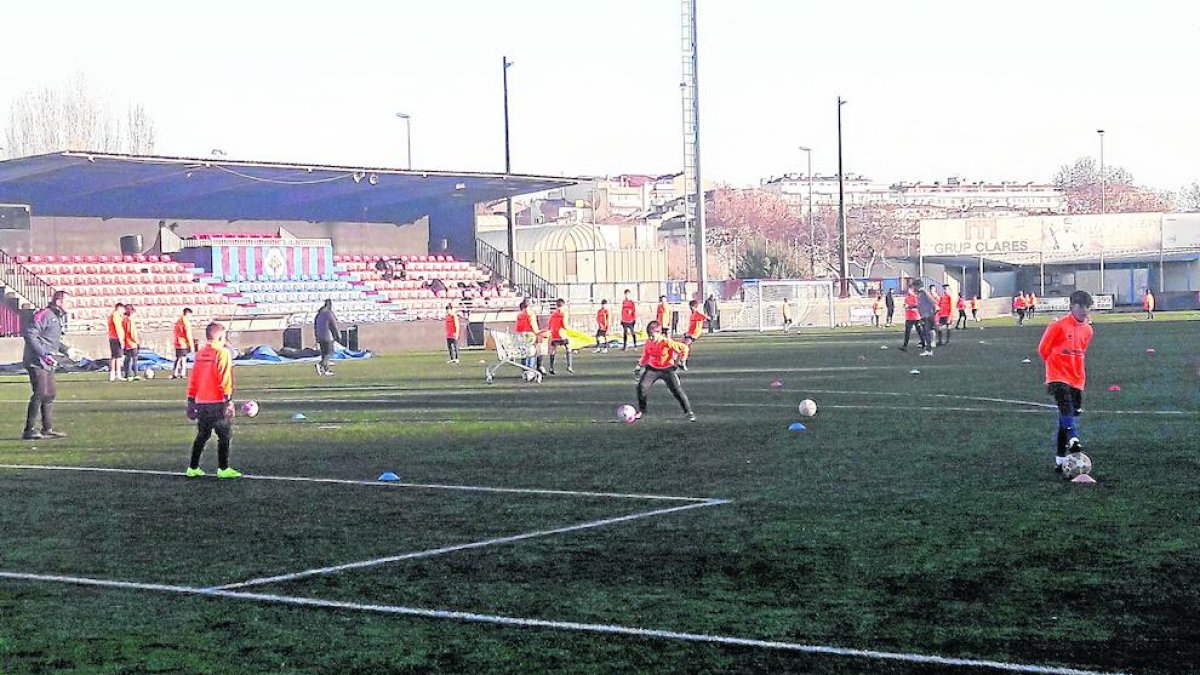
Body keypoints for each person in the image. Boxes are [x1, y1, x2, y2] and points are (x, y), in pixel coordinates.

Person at [1037, 290, 1094, 474]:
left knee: (1067, 417)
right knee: (1066, 409)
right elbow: (1043, 349)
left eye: (1087, 307)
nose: (1084, 311)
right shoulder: (1058, 326)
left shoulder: (1088, 330)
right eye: (1080, 307)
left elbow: (1082, 350)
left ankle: (1060, 460)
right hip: (1058, 376)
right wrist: (1055, 366)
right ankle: (1074, 440)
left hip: (1076, 378)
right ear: (1071, 307)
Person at [186, 321, 241, 479]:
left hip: (201, 401)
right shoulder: (222, 353)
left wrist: (191, 400)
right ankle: (223, 469)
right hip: (216, 401)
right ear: (221, 336)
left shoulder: (200, 353)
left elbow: (193, 379)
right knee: (225, 435)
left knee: (203, 434)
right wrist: (228, 400)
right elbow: (225, 378)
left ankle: (193, 467)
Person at [22, 291, 69, 440]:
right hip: (36, 361)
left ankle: (47, 428)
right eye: (68, 301)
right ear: (59, 302)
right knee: (40, 392)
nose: (70, 305)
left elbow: (50, 339)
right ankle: (29, 430)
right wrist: (43, 354)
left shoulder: (56, 317)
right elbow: (30, 334)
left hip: (47, 362)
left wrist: (67, 350)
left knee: (50, 394)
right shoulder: (45, 314)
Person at [632, 320, 694, 422]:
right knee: (641, 387)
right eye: (649, 335)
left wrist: (682, 361)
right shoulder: (648, 342)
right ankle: (642, 410)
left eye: (652, 335)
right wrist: (639, 366)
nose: (651, 338)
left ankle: (688, 412)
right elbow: (646, 355)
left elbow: (684, 348)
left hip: (667, 369)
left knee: (677, 390)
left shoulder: (666, 342)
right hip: (652, 369)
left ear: (659, 333)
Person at [679, 299, 708, 371]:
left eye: (691, 307)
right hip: (689, 333)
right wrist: (687, 332)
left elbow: (706, 318)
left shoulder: (698, 313)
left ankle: (683, 363)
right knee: (681, 346)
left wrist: (706, 319)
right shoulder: (692, 314)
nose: (690, 308)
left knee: (684, 347)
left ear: (695, 307)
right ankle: (680, 362)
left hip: (694, 334)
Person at [547, 298, 573, 374]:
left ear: (556, 305)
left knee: (553, 350)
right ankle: (569, 366)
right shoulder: (564, 313)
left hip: (554, 335)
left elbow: (549, 325)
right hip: (562, 334)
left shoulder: (553, 314)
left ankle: (551, 367)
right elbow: (564, 325)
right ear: (563, 305)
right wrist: (570, 329)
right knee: (568, 348)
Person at [314, 299, 339, 376]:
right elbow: (333, 325)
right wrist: (337, 334)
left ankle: (326, 370)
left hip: (320, 336)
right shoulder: (329, 313)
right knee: (328, 353)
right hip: (328, 336)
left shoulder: (318, 314)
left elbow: (315, 326)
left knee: (324, 354)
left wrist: (317, 337)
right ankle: (319, 364)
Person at [515, 298, 539, 370]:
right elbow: (533, 324)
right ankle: (530, 368)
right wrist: (537, 332)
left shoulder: (520, 314)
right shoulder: (531, 313)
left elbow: (518, 327)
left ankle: (524, 368)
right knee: (532, 352)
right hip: (530, 333)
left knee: (524, 351)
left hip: (522, 334)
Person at [172, 308, 195, 379]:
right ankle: (182, 373)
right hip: (183, 342)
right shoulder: (186, 322)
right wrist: (191, 345)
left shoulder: (178, 321)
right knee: (183, 358)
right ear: (187, 313)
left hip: (177, 342)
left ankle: (176, 372)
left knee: (179, 358)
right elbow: (188, 334)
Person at [900, 282, 922, 352]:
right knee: (907, 332)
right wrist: (905, 306)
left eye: (909, 289)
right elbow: (905, 305)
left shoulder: (915, 297)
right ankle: (904, 346)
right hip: (909, 317)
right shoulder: (907, 297)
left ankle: (924, 343)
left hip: (916, 317)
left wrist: (909, 306)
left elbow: (918, 305)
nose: (908, 291)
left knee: (919, 331)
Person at [916, 281, 937, 356]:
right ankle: (928, 349)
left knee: (926, 332)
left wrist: (933, 310)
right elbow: (920, 304)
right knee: (925, 332)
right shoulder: (920, 293)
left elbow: (932, 301)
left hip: (927, 315)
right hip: (924, 315)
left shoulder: (924, 292)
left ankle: (929, 350)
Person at [107, 302, 125, 382]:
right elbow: (117, 327)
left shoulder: (113, 315)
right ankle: (115, 374)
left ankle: (116, 374)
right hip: (116, 338)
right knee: (116, 357)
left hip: (112, 337)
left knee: (116, 357)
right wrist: (121, 339)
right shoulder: (115, 316)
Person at [121, 304, 141, 380]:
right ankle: (135, 374)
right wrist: (137, 342)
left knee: (127, 359)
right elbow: (132, 333)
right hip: (132, 343)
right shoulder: (130, 320)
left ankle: (127, 374)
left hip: (126, 342)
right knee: (134, 359)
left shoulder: (123, 320)